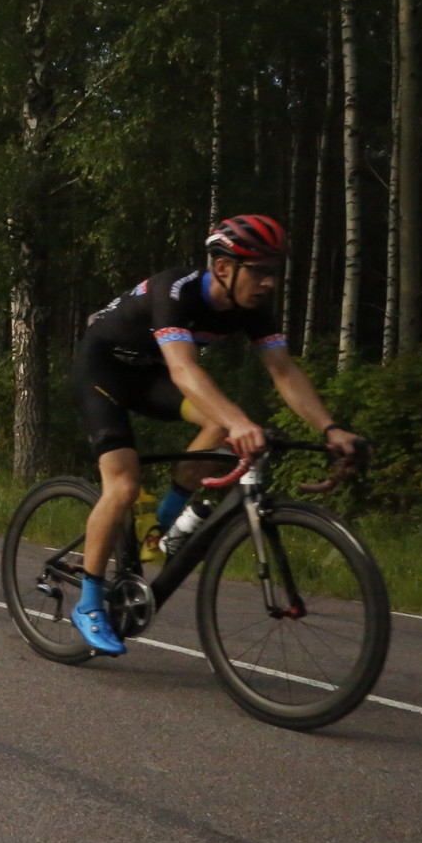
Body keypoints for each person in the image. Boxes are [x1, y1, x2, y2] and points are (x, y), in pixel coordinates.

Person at [68, 215, 361, 655]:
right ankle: (89, 603)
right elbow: (184, 369)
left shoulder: (252, 308)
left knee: (220, 423)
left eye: (273, 271)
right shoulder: (176, 290)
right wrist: (241, 421)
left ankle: (159, 528)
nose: (268, 282)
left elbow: (283, 371)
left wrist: (330, 428)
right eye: (258, 271)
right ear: (223, 268)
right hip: (101, 372)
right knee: (124, 485)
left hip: (148, 377)